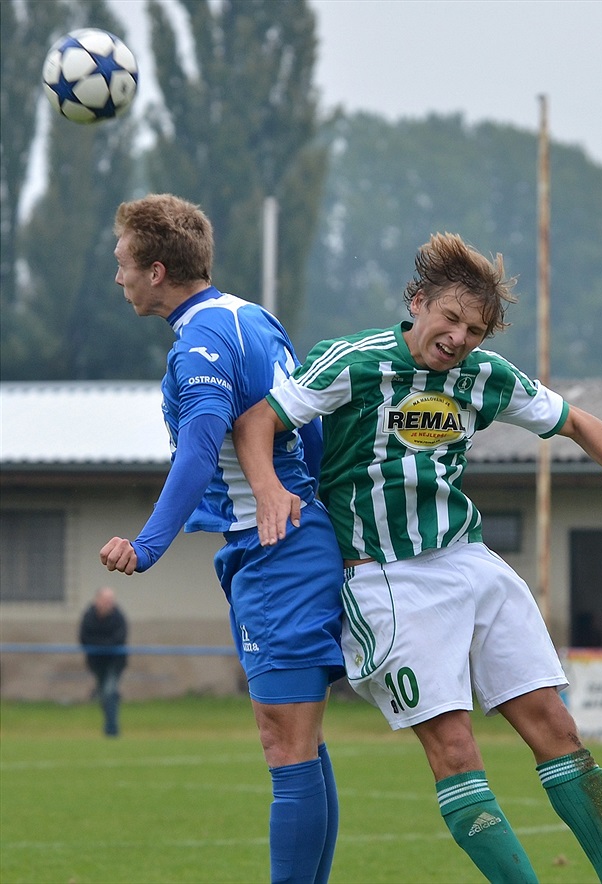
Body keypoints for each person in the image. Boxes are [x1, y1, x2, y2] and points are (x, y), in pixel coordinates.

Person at [233, 232, 602, 884]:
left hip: (471, 564)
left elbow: (580, 421)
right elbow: (257, 422)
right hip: (388, 580)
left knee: (556, 727)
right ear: (418, 302)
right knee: (455, 747)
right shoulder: (355, 361)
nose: (460, 337)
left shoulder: (484, 377)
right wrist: (270, 488)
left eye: (475, 329)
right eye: (450, 318)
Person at [99, 194, 345, 884]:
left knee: (286, 743)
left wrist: (148, 544)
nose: (116, 278)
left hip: (278, 550)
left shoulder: (200, 343)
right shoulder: (251, 317)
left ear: (154, 270)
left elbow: (203, 445)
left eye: (120, 263)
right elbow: (310, 425)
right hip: (283, 543)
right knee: (300, 740)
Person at [79, 586, 128, 736]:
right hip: (97, 663)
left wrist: (101, 644)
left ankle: (112, 729)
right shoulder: (89, 616)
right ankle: (110, 725)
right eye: (105, 600)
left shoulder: (118, 617)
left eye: (111, 600)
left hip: (115, 662)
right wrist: (103, 644)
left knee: (109, 691)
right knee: (104, 694)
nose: (108, 603)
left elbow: (119, 639)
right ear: (97, 600)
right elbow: (84, 638)